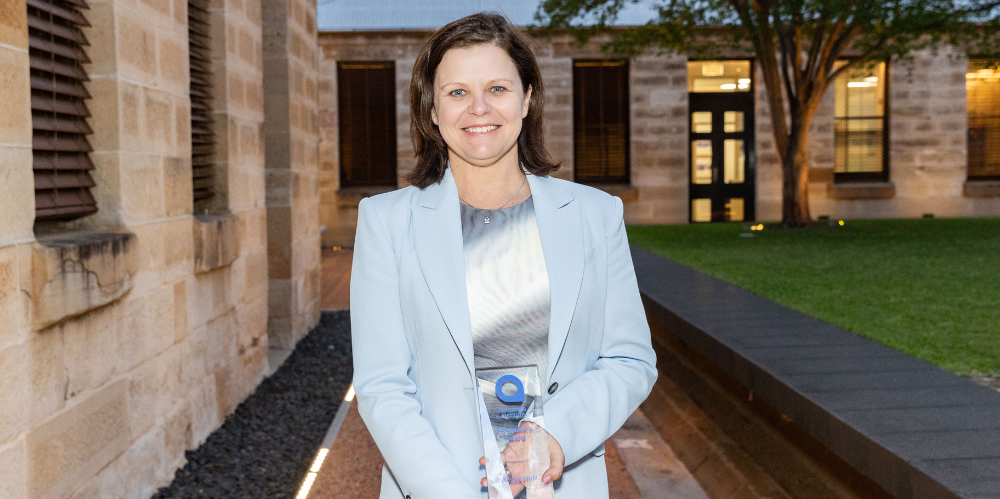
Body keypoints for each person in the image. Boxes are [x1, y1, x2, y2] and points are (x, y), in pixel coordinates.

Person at [350, 12, 657, 499]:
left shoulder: (595, 215)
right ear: (431, 109)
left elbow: (629, 359)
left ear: (527, 96)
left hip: (562, 484)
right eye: (457, 92)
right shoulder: (386, 222)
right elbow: (383, 387)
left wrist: (557, 432)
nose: (478, 109)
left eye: (497, 88)